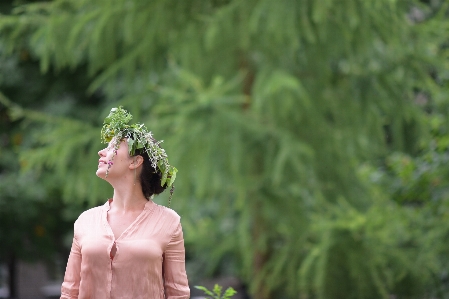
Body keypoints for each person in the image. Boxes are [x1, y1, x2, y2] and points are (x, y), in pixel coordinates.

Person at [60, 107, 190, 299]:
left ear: (136, 161)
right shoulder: (85, 221)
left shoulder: (169, 223)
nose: (101, 152)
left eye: (113, 147)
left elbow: (178, 294)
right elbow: (69, 293)